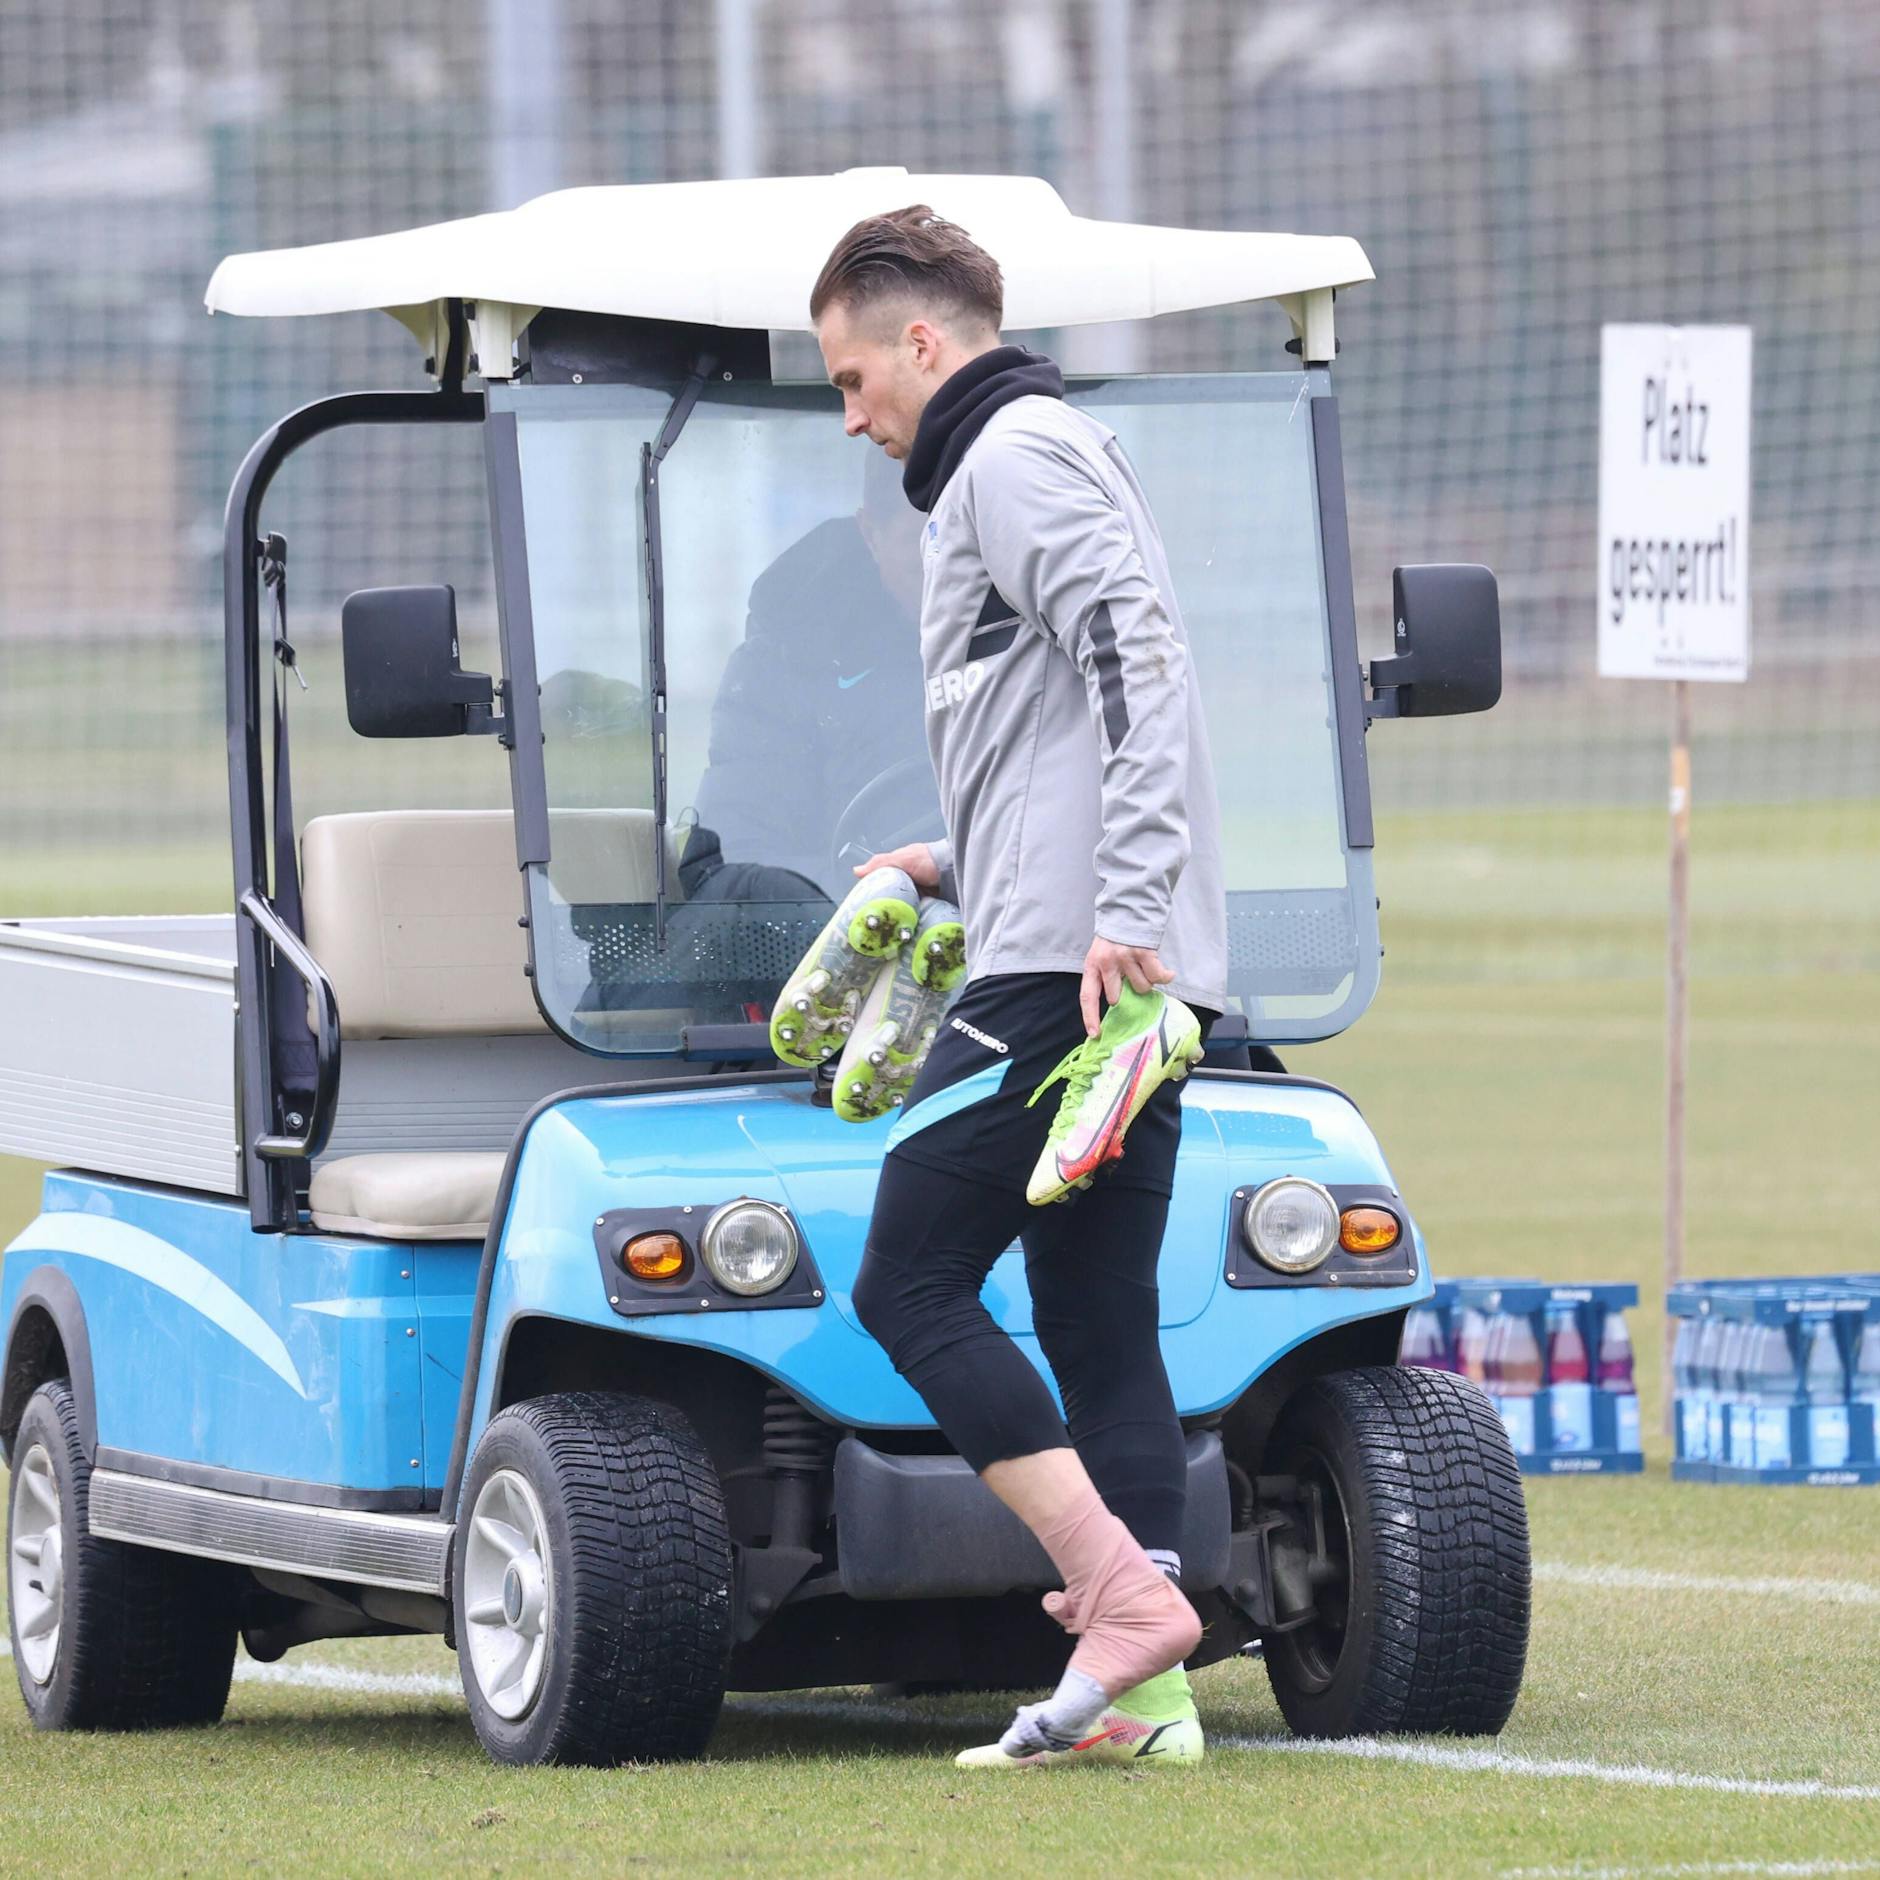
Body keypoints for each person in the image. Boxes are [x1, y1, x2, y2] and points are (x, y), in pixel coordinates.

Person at [812, 206, 1228, 1768]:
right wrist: (948, 858)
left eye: (854, 375)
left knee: (908, 1281)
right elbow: (1066, 714)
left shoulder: (1009, 460)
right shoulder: (1032, 454)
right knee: (1096, 1315)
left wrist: (1113, 904)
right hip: (1101, 953)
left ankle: (1119, 1599)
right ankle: (1146, 1714)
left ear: (924, 340)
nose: (851, 413)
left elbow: (1140, 657)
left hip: (1070, 967)